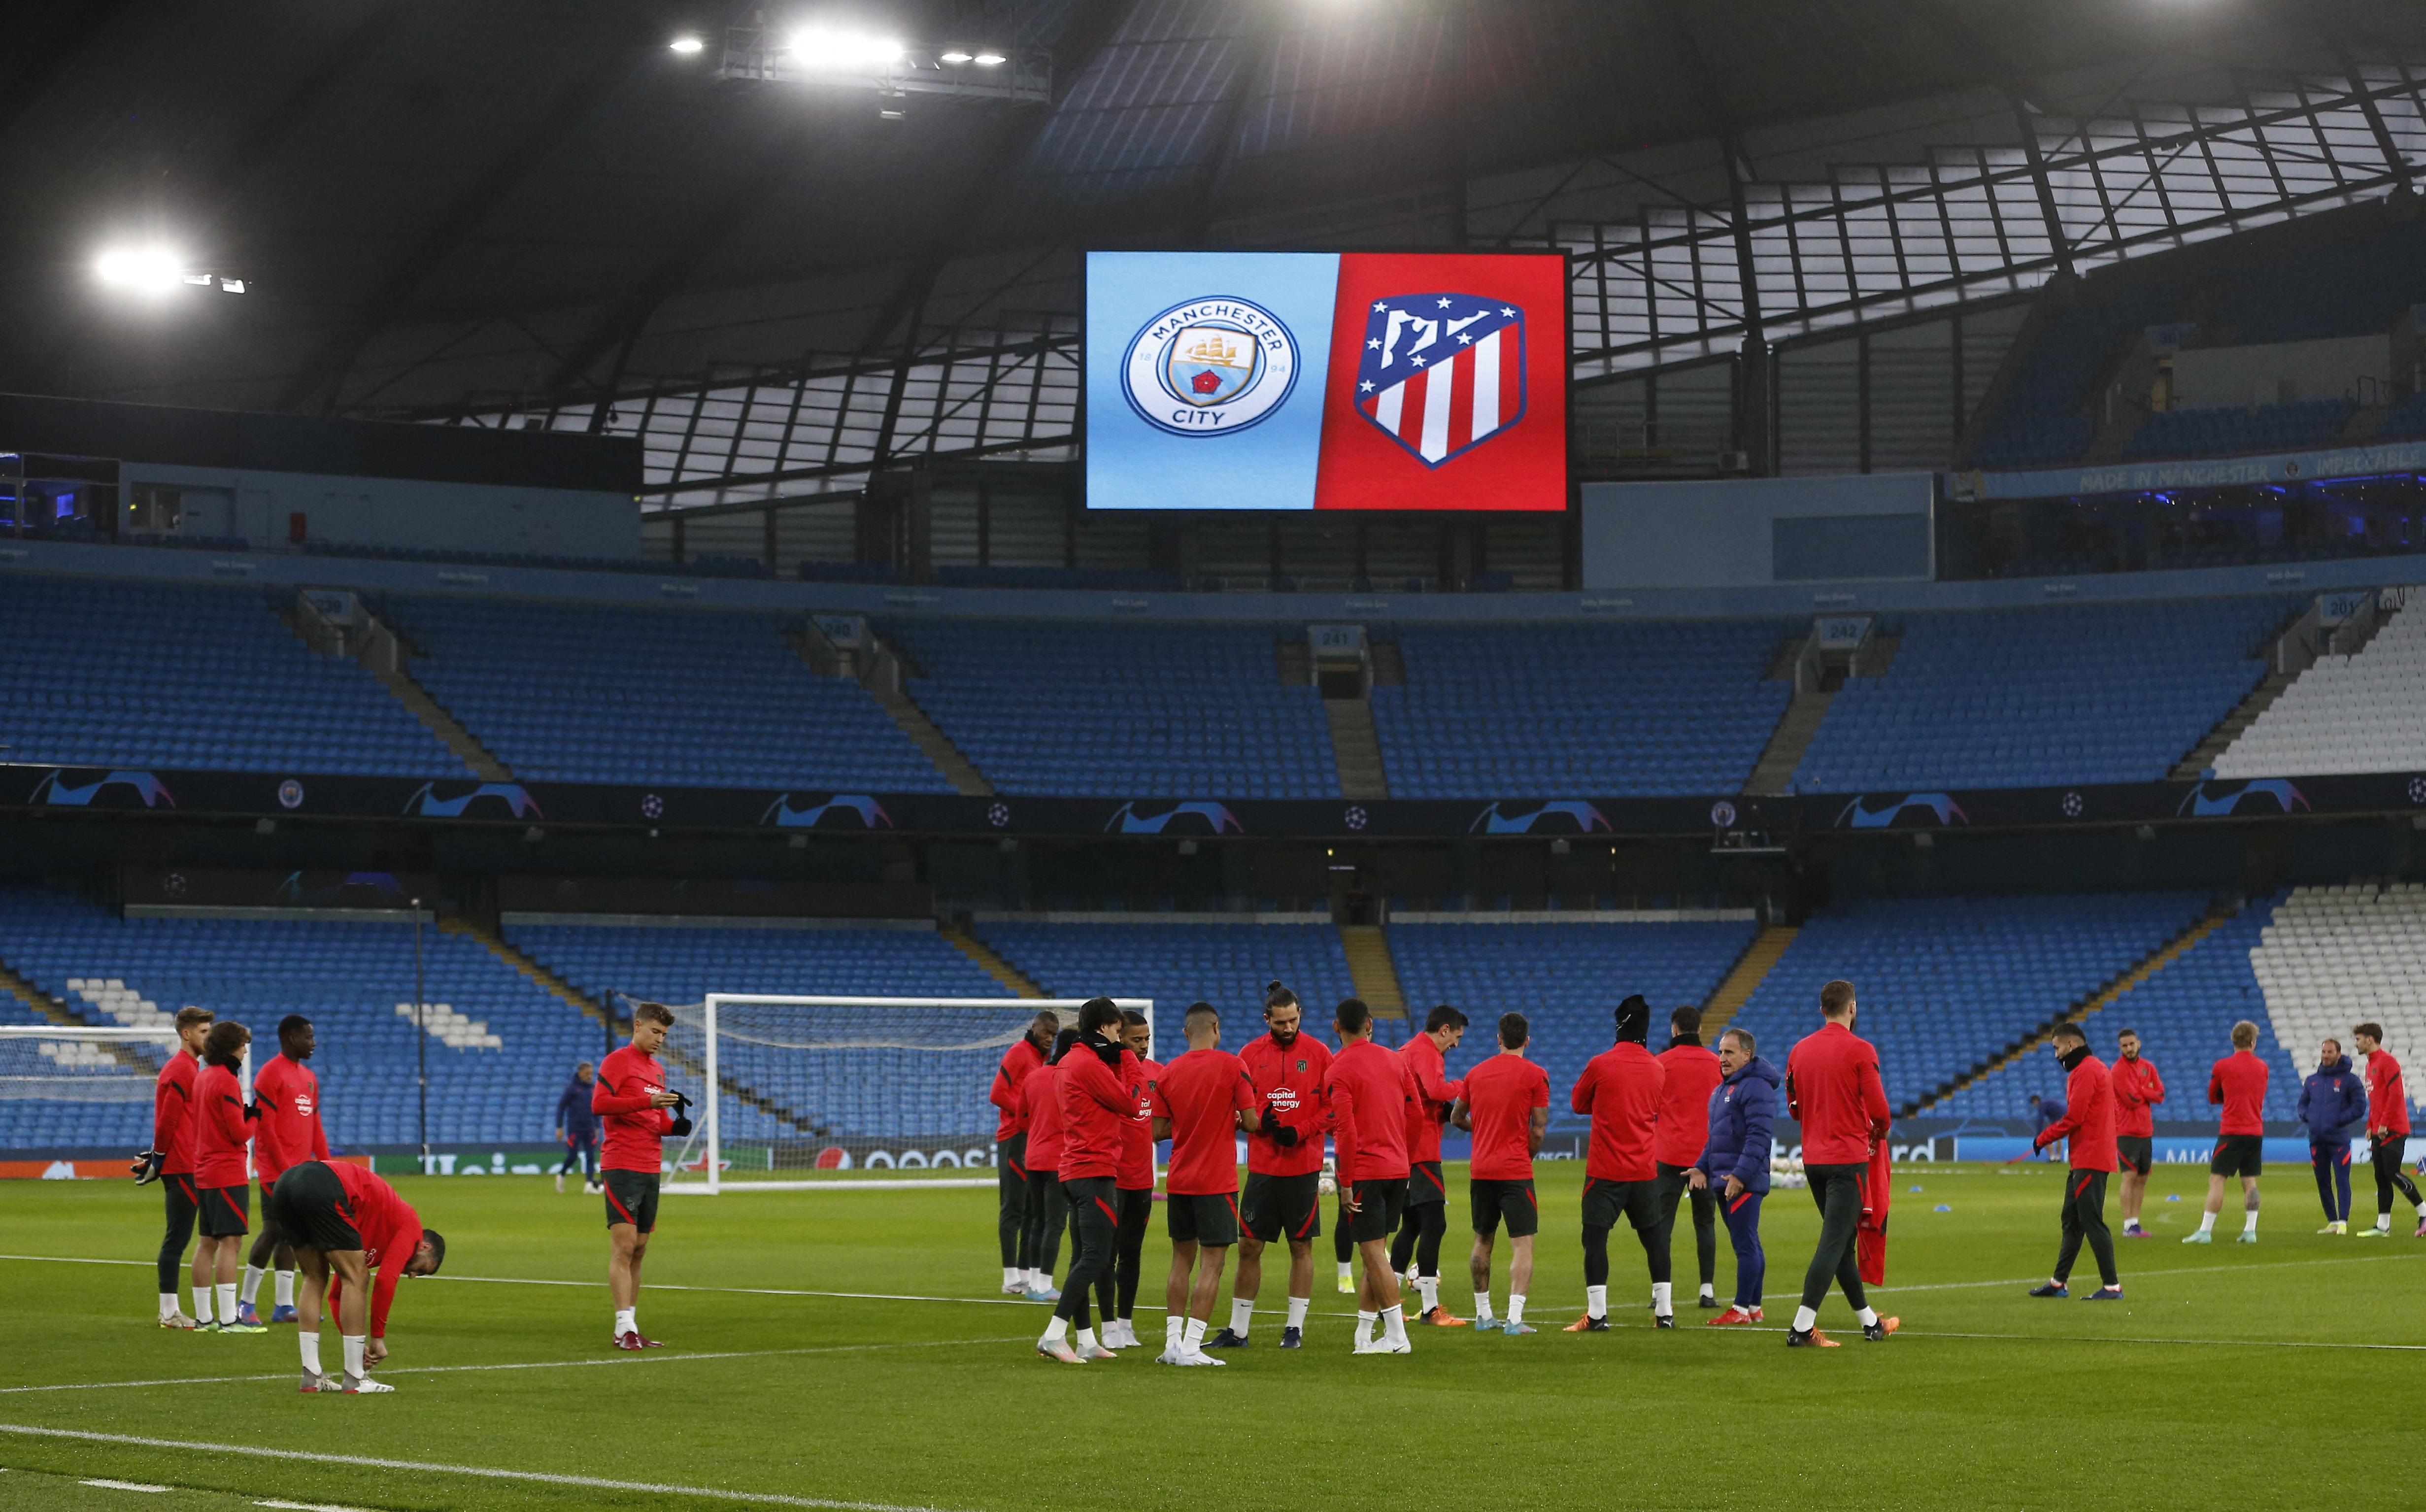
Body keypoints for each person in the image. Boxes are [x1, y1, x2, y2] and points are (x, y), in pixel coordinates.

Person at [1214, 982, 1334, 1350]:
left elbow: (1332, 1109)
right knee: (1249, 1245)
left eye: (1293, 1020)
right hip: (1263, 1167)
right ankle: (1238, 1331)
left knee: (1301, 1246)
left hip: (1303, 1166)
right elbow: (1233, 1110)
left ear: (1300, 1015)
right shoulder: (1249, 1054)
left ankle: (1294, 1329)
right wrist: (1254, 1123)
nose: (1288, 1028)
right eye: (1280, 1022)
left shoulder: (1319, 1053)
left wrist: (1299, 1130)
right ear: (1267, 1018)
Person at [1782, 979, 1896, 1346]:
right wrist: (1877, 1133)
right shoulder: (1861, 1050)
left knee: (1842, 1241)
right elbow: (1880, 1110)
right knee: (1833, 1242)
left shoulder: (1800, 1050)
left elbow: (1793, 1104)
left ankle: (1870, 1323)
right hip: (1847, 1159)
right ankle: (1802, 1327)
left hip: (1813, 1159)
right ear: (1853, 1008)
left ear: (1822, 1010)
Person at [1144, 1002, 1257, 1366]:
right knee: (1213, 1263)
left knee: (1181, 1259)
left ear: (1185, 1033)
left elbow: (1157, 1131)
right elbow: (1254, 1122)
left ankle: (1172, 1343)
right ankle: (1193, 1347)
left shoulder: (1168, 1072)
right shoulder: (1232, 1065)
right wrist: (1234, 1120)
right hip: (1215, 1181)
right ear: (1217, 1028)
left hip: (1179, 1179)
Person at [267, 1158, 444, 1393]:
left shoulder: (375, 1230)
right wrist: (377, 1339)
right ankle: (355, 1378)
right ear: (424, 1247)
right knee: (358, 1277)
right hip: (324, 1184)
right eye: (420, 1269)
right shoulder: (411, 1226)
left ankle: (311, 1376)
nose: (411, 1275)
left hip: (286, 1184)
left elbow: (336, 1295)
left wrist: (356, 1344)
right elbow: (384, 1281)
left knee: (315, 1277)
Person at [1037, 999, 1144, 1365]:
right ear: (1106, 1027)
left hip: (1072, 1167)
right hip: (1094, 1169)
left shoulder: (1068, 1061)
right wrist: (1129, 1061)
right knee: (1098, 1256)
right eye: (1118, 1031)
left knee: (1082, 1256)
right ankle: (1054, 1333)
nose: (1121, 1038)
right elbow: (1131, 1104)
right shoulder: (1088, 1064)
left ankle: (1085, 1339)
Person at [1322, 997, 1422, 1355]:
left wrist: (1345, 1182)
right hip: (1397, 1168)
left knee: (1373, 1253)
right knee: (1374, 1251)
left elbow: (1345, 1131)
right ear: (1370, 1025)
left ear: (1337, 1027)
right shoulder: (1396, 1060)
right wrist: (1404, 1155)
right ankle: (1364, 1336)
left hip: (1366, 1171)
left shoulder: (1337, 1070)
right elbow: (1418, 1113)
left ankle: (1397, 1337)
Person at [1565, 994, 1666, 1332]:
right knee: (1655, 1240)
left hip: (1606, 1170)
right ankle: (1664, 1314)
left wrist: (1608, 1105)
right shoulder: (1656, 1067)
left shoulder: (1601, 1063)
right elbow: (1659, 1108)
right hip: (1643, 1170)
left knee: (1595, 1239)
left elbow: (1579, 1103)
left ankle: (1597, 1316)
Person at [594, 1000, 687, 1346]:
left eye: (663, 1034)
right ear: (637, 1026)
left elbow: (656, 1122)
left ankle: (630, 1324)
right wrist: (646, 1103)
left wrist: (674, 1126)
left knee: (641, 1247)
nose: (659, 1039)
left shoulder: (657, 1071)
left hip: (650, 1164)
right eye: (655, 1031)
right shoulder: (617, 1062)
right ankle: (623, 1328)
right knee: (625, 1245)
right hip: (622, 1163)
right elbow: (600, 1104)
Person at [1453, 1011, 1551, 1336]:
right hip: (1514, 1170)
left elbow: (1456, 1116)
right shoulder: (1536, 1075)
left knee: (1483, 1239)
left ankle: (1483, 1315)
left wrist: (1480, 1131)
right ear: (1527, 1040)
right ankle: (1513, 1318)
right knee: (1523, 1244)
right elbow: (1537, 1130)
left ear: (1499, 1039)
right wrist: (1527, 1155)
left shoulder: (1476, 1073)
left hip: (1482, 1169)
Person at [238, 1014, 326, 1327]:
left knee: (294, 1234)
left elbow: (315, 1126)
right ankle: (245, 1303)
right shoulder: (269, 1074)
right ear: (291, 1038)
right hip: (276, 1172)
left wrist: (328, 1165)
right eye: (309, 1037)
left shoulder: (310, 1077)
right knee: (275, 1231)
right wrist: (288, 1171)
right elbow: (266, 1130)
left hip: (299, 1172)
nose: (314, 1043)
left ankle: (284, 1306)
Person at [2026, 1022, 2123, 1300]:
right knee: (2072, 1219)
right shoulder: (2097, 1068)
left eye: (2057, 1048)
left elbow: (2075, 1118)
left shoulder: (2085, 1071)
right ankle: (2059, 1283)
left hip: (2090, 1158)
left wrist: (2042, 1139)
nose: (2056, 1055)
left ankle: (2112, 1286)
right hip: (2087, 1157)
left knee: (2091, 1221)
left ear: (2071, 1045)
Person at [1691, 1027, 1777, 1326]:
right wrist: (1702, 1165)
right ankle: (1753, 1308)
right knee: (1749, 1242)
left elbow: (1759, 1137)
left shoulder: (1755, 1087)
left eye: (1729, 1052)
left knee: (1745, 1244)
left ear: (1747, 1054)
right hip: (1726, 1179)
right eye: (1720, 1052)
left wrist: (1740, 1176)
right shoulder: (1724, 1089)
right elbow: (1717, 1137)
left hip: (1742, 1182)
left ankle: (1740, 1310)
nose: (1722, 1058)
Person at [134, 1004, 214, 1329]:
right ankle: (168, 1311)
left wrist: (155, 1155)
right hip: (181, 1166)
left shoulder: (187, 1068)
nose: (209, 1037)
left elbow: (175, 1121)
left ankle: (171, 1310)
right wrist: (159, 1159)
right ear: (187, 1033)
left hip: (185, 1162)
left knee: (179, 1237)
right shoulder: (181, 1069)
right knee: (177, 1238)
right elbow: (167, 1121)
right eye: (204, 1032)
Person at [1389, 1003, 1468, 1326]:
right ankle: (1430, 1309)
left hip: (1404, 1148)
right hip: (1421, 1149)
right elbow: (1436, 1089)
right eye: (1456, 1037)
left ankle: (1388, 1303)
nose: (1456, 1045)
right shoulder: (1426, 1051)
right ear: (1444, 1029)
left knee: (1412, 1225)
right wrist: (1466, 1086)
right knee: (1435, 1223)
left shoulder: (1406, 1050)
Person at [191, 1020, 263, 1335]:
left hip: (204, 1170)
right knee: (230, 1243)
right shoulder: (226, 1080)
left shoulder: (203, 1077)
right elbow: (238, 1134)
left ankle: (204, 1319)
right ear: (232, 1046)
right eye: (243, 1044)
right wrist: (254, 1119)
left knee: (207, 1243)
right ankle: (229, 1320)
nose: (246, 1050)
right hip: (227, 1170)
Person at [1652, 1005, 1725, 1311]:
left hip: (1667, 1154)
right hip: (1704, 1158)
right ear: (1700, 1029)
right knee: (1705, 1223)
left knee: (1660, 1225)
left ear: (1674, 1029)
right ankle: (1707, 1290)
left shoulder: (1660, 1063)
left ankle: (1659, 1293)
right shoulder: (1716, 1063)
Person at [991, 1009, 1059, 1295]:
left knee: (1032, 1209)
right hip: (1014, 1138)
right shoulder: (1019, 1053)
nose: (1049, 1039)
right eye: (1046, 1033)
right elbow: (997, 1093)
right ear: (1034, 1029)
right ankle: (1009, 1279)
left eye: (1054, 1036)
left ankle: (1024, 1276)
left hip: (1030, 1139)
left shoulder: (1040, 1059)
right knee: (1014, 1208)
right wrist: (1024, 1117)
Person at [2185, 1020, 2269, 1244]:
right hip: (2255, 1131)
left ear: (2234, 1042)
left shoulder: (2222, 1066)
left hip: (2232, 1131)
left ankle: (2205, 1231)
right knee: (2250, 1181)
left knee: (2217, 1180)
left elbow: (2213, 1097)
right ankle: (2250, 1231)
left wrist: (2229, 1096)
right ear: (2252, 1042)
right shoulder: (2263, 1067)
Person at [1106, 1009, 1159, 1349]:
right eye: (1135, 1040)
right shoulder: (1107, 1073)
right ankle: (1108, 1325)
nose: (1143, 1046)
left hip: (1142, 1180)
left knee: (1131, 1253)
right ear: (1119, 1038)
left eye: (1147, 1040)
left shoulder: (1158, 1074)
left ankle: (1126, 1323)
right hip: (1109, 1178)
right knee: (1104, 1254)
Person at [1017, 1028, 1079, 1302]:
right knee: (1055, 1224)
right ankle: (1044, 1285)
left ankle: (1032, 1282)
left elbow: (1020, 1118)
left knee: (1037, 1222)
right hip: (1059, 1160)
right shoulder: (1070, 1079)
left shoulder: (1033, 1078)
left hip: (1033, 1157)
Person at [2351, 1023, 2426, 1238]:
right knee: (2381, 1176)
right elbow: (2376, 1099)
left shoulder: (2388, 1062)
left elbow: (2395, 1096)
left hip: (2394, 1127)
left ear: (2370, 1039)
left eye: (2359, 1039)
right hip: (2379, 1127)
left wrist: (2383, 1123)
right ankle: (2383, 1226)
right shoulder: (2370, 1065)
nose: (2356, 1043)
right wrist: (2370, 1125)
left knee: (2392, 1172)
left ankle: (2424, 1211)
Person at [2297, 1037, 2365, 1234]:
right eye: (2324, 1052)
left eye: (2330, 1052)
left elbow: (2360, 1106)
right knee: (2323, 1181)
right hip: (2317, 1139)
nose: (2326, 1056)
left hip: (2339, 1139)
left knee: (2342, 1180)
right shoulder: (2313, 1080)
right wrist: (2307, 1116)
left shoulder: (2350, 1080)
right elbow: (2302, 1104)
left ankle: (2343, 1221)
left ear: (2338, 1054)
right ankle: (2333, 1221)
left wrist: (2339, 1119)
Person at [2110, 1028, 2164, 1237]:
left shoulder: (2148, 1067)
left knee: (2142, 1178)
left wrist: (2142, 1091)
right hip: (2126, 1131)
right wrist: (2145, 1091)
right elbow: (2131, 1100)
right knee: (2129, 1177)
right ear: (2120, 1048)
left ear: (2138, 1044)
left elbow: (2160, 1094)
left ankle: (2135, 1223)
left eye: (2132, 1044)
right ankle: (2127, 1225)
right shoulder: (2118, 1070)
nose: (2129, 1049)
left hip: (2145, 1131)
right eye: (2125, 1046)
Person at [553, 1060, 600, 1197]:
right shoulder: (572, 1089)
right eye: (587, 1073)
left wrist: (597, 1125)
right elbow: (561, 1107)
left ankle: (589, 1184)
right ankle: (561, 1175)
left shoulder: (593, 1088)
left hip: (589, 1128)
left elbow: (597, 1107)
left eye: (591, 1073)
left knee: (591, 1156)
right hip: (575, 1128)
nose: (590, 1076)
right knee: (573, 1156)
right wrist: (559, 1127)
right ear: (580, 1074)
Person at [2028, 1091, 2067, 1161]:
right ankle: (2058, 1157)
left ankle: (2052, 1157)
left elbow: (2041, 1119)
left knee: (2047, 1136)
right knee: (2058, 1138)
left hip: (2058, 1119)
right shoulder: (2046, 1102)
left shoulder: (2042, 1105)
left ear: (2035, 1101)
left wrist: (2039, 1134)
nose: (2035, 1105)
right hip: (2063, 1118)